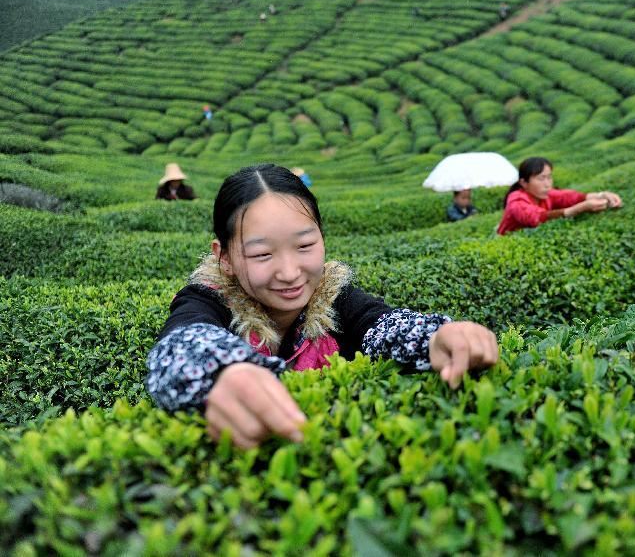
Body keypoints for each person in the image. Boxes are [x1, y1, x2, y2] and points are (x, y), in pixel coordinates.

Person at [145, 164, 498, 449]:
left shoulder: (335, 299)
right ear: (224, 258)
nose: (289, 272)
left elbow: (383, 324)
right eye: (262, 254)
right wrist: (224, 371)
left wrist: (436, 337)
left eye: (305, 246)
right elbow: (182, 341)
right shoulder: (207, 299)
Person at [497, 157, 622, 235]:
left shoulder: (545, 194)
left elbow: (569, 197)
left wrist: (602, 195)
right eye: (541, 179)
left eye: (549, 177)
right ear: (524, 183)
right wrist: (581, 208)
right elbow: (536, 218)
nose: (547, 184)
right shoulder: (516, 200)